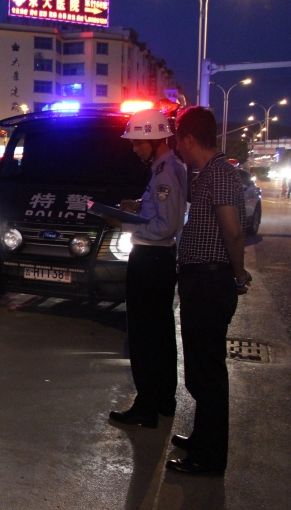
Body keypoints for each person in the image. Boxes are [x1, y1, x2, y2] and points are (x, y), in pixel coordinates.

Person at [167, 105, 251, 475]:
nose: (177, 147)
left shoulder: (220, 173)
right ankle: (203, 438)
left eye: (178, 139)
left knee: (208, 373)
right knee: (200, 369)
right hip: (199, 280)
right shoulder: (209, 174)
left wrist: (239, 275)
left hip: (210, 281)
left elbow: (232, 232)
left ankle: (209, 457)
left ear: (188, 139)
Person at [106, 109, 187, 428]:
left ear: (155, 139)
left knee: (144, 335)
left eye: (139, 142)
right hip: (159, 261)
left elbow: (166, 225)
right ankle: (163, 400)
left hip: (150, 259)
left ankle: (146, 407)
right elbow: (162, 208)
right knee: (160, 333)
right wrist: (138, 206)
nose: (135, 148)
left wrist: (124, 224)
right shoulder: (168, 167)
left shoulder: (165, 172)